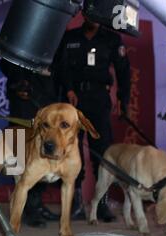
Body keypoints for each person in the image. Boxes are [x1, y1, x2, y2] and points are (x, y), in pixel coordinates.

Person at [58, 16, 131, 222]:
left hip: (99, 99)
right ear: (85, 13)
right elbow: (61, 67)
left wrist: (122, 100)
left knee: (102, 150)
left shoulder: (111, 39)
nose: (95, 18)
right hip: (73, 100)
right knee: (71, 150)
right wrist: (69, 89)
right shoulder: (70, 37)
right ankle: (75, 201)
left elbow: (123, 71)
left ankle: (101, 203)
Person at [0, 59, 60, 227]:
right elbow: (7, 60)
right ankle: (24, 207)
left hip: (46, 98)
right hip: (22, 99)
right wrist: (19, 81)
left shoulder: (53, 34)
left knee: (43, 154)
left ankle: (36, 204)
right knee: (19, 156)